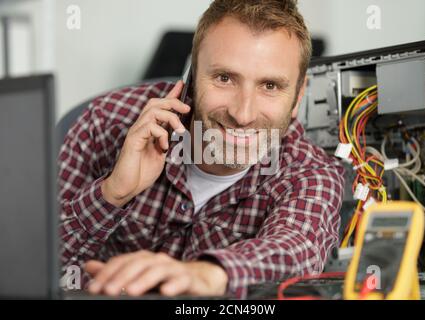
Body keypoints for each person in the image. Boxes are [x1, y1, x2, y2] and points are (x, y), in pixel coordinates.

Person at [58, 0, 345, 299]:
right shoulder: (106, 122)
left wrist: (205, 273)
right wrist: (112, 193)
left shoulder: (311, 173)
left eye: (270, 86)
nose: (243, 114)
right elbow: (35, 265)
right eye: (224, 78)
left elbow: (295, 251)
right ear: (192, 80)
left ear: (298, 98)